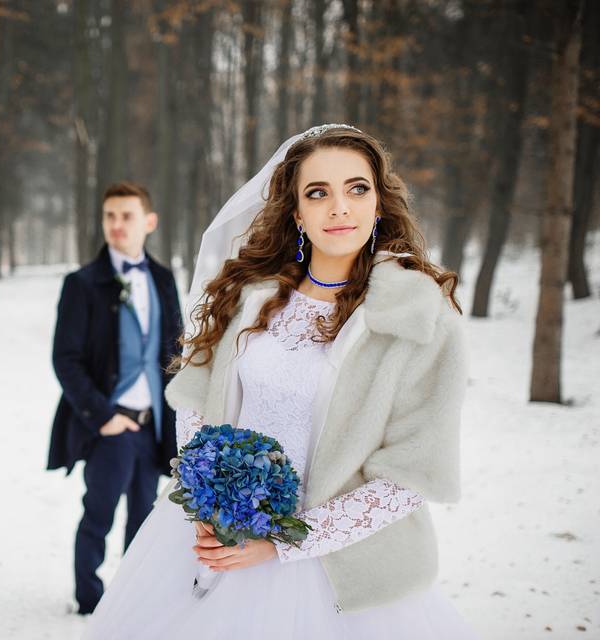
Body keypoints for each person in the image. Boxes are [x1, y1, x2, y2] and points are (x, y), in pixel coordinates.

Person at [81, 125, 479, 638]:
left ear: (379, 203)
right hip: (215, 542)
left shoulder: (422, 317)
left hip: (340, 571)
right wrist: (209, 505)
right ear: (296, 212)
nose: (339, 208)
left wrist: (284, 544)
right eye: (318, 192)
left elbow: (411, 476)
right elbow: (197, 401)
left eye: (357, 189)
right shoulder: (249, 295)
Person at [47, 181, 184, 615]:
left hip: (153, 424)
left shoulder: (162, 278)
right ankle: (89, 598)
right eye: (110, 216)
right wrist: (102, 415)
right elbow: (65, 359)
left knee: (145, 519)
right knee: (99, 513)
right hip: (110, 423)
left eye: (126, 216)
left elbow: (173, 349)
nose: (117, 225)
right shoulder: (82, 284)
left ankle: (132, 597)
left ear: (149, 221)